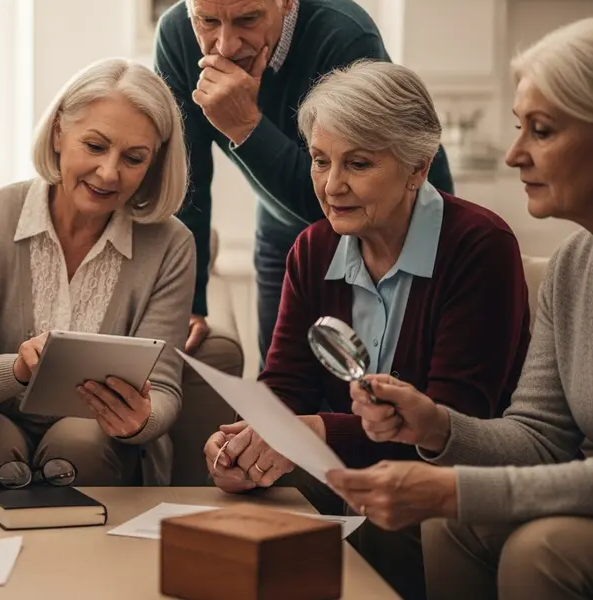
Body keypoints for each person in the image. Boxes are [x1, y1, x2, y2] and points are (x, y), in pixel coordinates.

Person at [202, 61, 530, 599]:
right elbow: (283, 386)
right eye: (319, 160)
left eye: (358, 163)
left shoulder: (479, 246)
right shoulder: (313, 249)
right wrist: (243, 445)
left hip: (448, 486)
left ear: (417, 168)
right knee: (242, 503)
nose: (332, 186)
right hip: (346, 478)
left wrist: (316, 432)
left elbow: (458, 423)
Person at [326, 18, 593, 600]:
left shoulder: (481, 245)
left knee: (536, 550)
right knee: (453, 525)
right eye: (520, 128)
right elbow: (541, 437)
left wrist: (457, 490)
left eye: (542, 131)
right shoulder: (575, 265)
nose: (513, 154)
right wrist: (435, 425)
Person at [0, 58, 194, 487]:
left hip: (99, 437)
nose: (109, 172)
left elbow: (166, 391)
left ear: (154, 163)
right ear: (60, 132)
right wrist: (19, 370)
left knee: (81, 441)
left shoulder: (171, 244)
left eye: (134, 158)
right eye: (95, 146)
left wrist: (141, 421)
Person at [154, 0, 454, 364]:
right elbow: (185, 181)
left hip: (392, 220)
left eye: (248, 19)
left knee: (392, 373)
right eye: (208, 21)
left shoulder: (343, 37)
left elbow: (337, 196)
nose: (225, 46)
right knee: (282, 379)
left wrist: (246, 127)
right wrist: (189, 302)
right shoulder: (176, 35)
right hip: (280, 214)